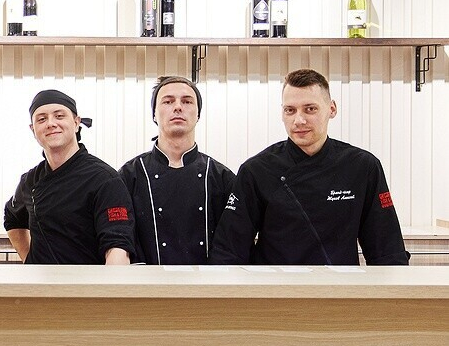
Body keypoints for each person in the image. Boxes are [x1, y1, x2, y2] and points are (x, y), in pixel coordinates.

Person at [210, 68, 409, 265]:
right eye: (290, 110)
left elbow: (387, 250)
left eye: (310, 109)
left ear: (332, 109)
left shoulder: (362, 167)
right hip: (275, 283)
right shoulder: (256, 170)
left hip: (340, 284)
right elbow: (229, 250)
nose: (299, 120)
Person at [4, 89, 135, 265]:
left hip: (86, 281)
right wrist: (30, 260)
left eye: (59, 116)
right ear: (33, 129)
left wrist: (110, 283)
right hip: (39, 282)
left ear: (76, 123)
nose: (51, 124)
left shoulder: (104, 179)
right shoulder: (30, 181)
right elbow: (12, 218)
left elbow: (118, 246)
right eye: (41, 119)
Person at [119, 76, 235, 264]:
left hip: (207, 279)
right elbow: (122, 237)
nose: (178, 107)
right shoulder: (129, 175)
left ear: (198, 114)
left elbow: (232, 242)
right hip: (147, 279)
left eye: (187, 101)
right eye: (168, 101)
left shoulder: (221, 177)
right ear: (154, 114)